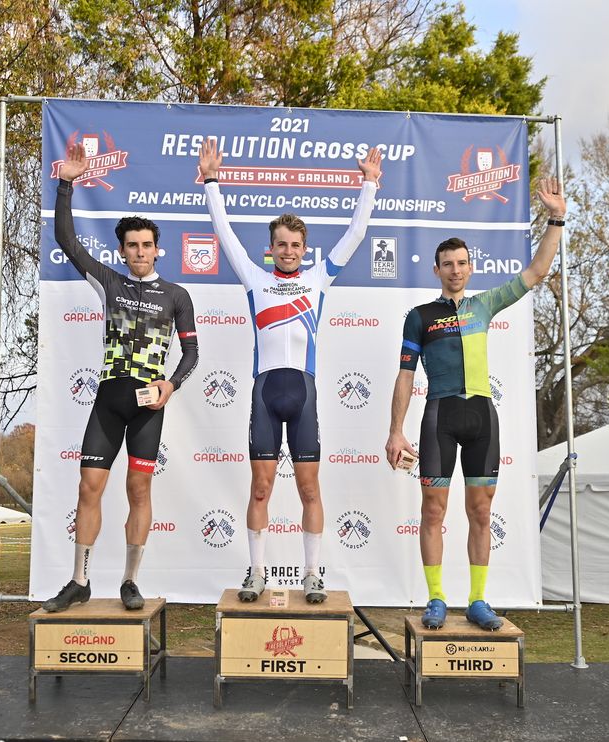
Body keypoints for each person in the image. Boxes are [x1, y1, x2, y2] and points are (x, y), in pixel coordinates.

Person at [198, 137, 383, 604]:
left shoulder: (318, 277)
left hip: (304, 394)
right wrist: (212, 182)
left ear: (305, 249)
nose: (287, 250)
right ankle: (256, 573)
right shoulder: (255, 279)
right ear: (271, 248)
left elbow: (356, 235)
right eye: (280, 244)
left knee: (308, 488)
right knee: (260, 488)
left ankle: (313, 574)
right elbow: (224, 235)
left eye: (295, 245)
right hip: (266, 393)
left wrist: (369, 184)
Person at [384, 177, 566, 630]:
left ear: (470, 266)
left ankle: (480, 599)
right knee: (433, 509)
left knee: (481, 510)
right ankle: (436, 598)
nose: (455, 270)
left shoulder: (486, 304)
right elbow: (406, 375)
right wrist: (395, 430)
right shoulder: (420, 316)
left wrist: (556, 219)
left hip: (481, 414)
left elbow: (538, 271)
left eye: (462, 263)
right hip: (440, 416)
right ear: (436, 270)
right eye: (447, 264)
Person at [41, 141, 199, 613]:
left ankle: (131, 580)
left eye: (147, 245)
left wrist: (170, 385)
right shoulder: (109, 282)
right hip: (109, 398)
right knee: (88, 487)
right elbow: (67, 243)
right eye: (132, 246)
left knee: (139, 490)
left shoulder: (176, 295)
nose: (140, 252)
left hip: (149, 403)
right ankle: (79, 580)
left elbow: (191, 353)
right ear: (122, 250)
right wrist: (67, 183)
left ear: (157, 249)